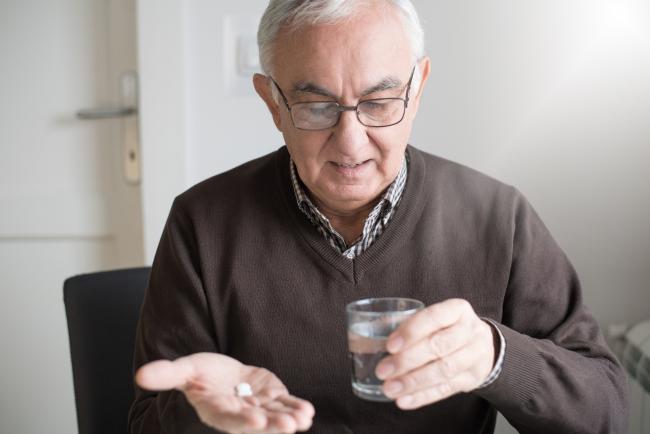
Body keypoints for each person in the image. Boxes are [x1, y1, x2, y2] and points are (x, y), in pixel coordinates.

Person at [128, 1, 628, 433]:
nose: (351, 142)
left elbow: (605, 412)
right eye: (317, 105)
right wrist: (201, 417)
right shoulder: (203, 222)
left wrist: (496, 359)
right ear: (272, 102)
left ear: (418, 88)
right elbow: (145, 425)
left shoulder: (500, 218)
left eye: (380, 101)